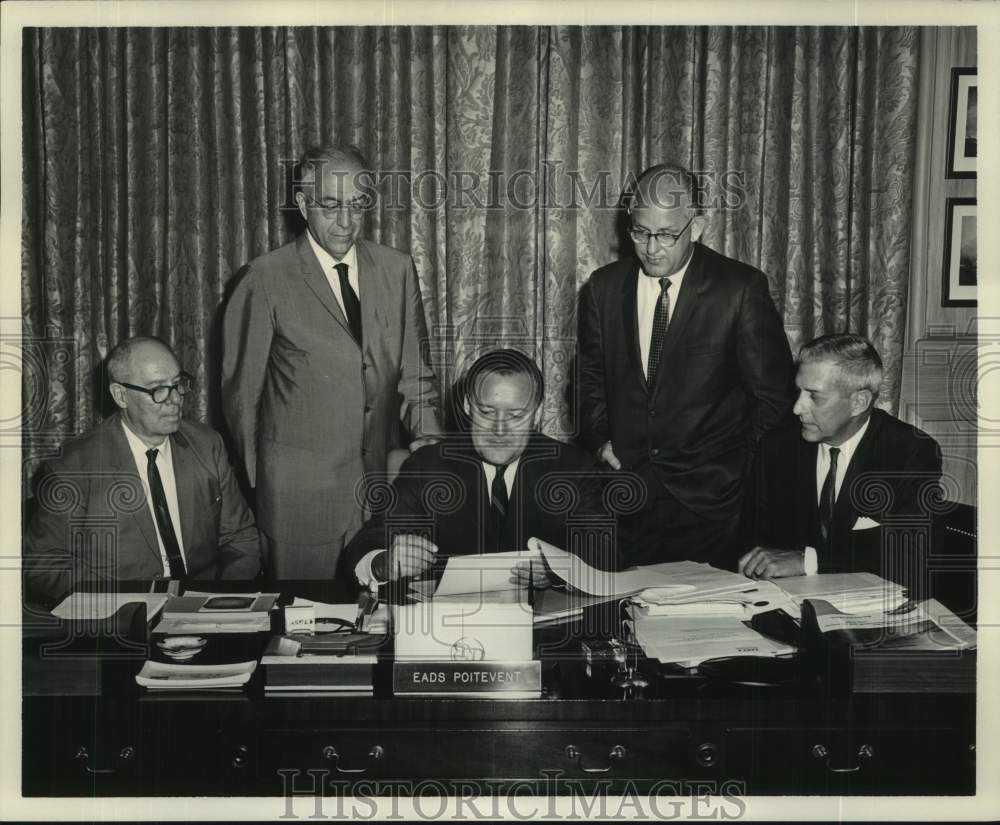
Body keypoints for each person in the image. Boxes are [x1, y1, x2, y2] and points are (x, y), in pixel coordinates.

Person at [222, 144, 443, 580]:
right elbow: (240, 398)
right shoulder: (263, 279)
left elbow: (416, 376)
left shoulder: (397, 269)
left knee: (374, 620)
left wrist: (431, 455)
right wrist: (262, 489)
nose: (346, 222)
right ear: (303, 205)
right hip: (298, 502)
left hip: (378, 493)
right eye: (331, 206)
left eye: (358, 206)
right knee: (306, 627)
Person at [578, 162, 793, 567]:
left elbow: (773, 398)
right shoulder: (603, 288)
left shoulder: (739, 289)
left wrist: (736, 469)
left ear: (696, 226)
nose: (651, 247)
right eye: (640, 232)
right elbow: (588, 378)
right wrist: (601, 439)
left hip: (712, 506)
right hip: (626, 497)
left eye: (666, 234)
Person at [343, 349, 617, 588]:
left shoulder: (572, 467)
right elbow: (363, 548)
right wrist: (384, 563)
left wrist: (558, 570)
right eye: (487, 412)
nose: (500, 430)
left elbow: (607, 552)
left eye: (515, 415)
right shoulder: (430, 467)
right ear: (467, 406)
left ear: (536, 412)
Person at [24, 337, 261, 605]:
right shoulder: (74, 466)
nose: (174, 400)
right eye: (158, 390)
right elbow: (43, 564)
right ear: (121, 395)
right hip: (120, 620)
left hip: (204, 609)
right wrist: (125, 603)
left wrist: (220, 599)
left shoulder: (207, 445)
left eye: (178, 384)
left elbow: (240, 536)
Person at [739, 334, 943, 586]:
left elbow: (908, 556)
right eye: (798, 392)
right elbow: (753, 539)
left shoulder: (911, 453)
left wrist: (808, 561)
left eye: (814, 396)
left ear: (859, 402)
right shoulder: (777, 447)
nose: (797, 408)